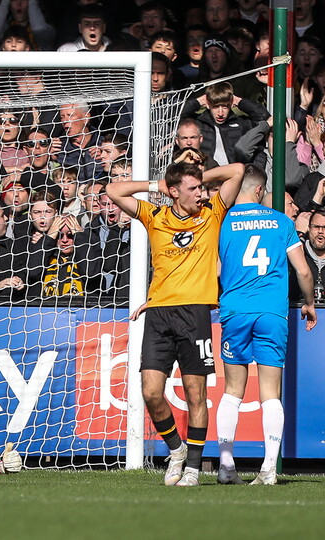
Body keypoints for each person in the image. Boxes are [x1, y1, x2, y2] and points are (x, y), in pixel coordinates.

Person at [107, 161, 245, 487]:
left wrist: (196, 178)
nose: (200, 193)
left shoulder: (212, 213)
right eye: (193, 189)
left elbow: (237, 170)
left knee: (196, 395)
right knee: (151, 392)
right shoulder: (155, 216)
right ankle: (177, 450)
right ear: (174, 192)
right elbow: (114, 190)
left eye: (201, 188)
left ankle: (194, 469)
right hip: (159, 313)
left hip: (195, 314)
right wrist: (158, 185)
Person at [215, 165, 318, 486]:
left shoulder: (222, 221)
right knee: (270, 393)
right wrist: (310, 303)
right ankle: (269, 469)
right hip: (272, 313)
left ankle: (226, 465)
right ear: (260, 190)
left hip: (235, 310)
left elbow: (216, 270)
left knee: (232, 390)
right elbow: (302, 270)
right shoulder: (282, 223)